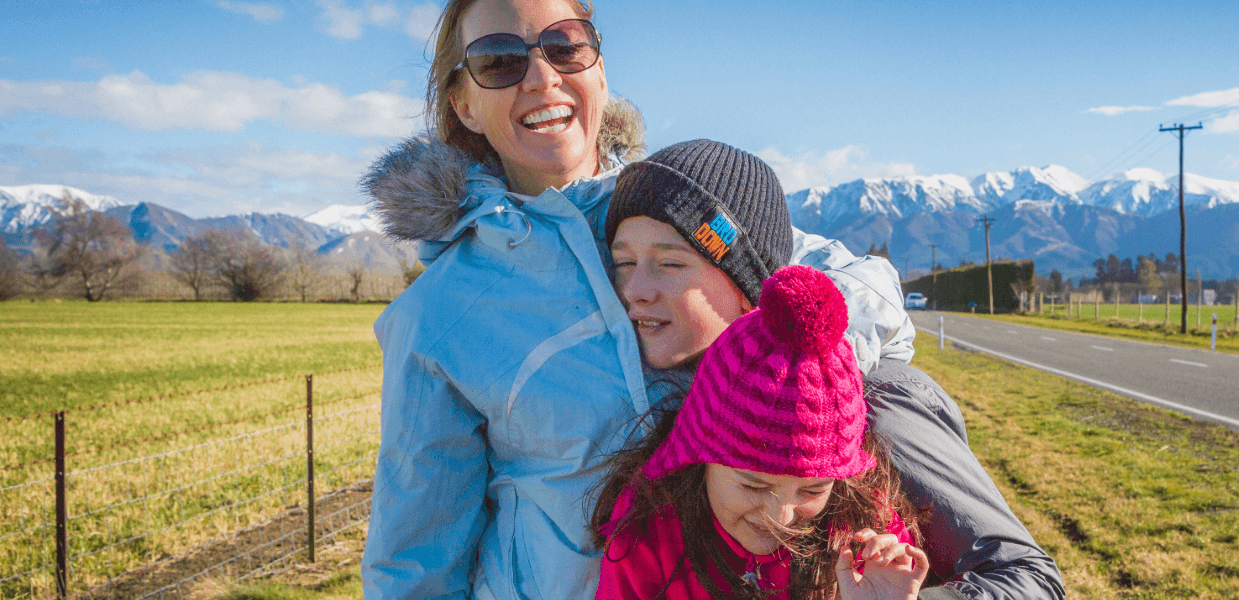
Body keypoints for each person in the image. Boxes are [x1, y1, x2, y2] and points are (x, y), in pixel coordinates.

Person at [359, 2, 912, 599]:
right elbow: (415, 560)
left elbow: (863, 287)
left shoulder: (678, 210)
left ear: (599, 70)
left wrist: (805, 378)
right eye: (498, 60)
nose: (542, 77)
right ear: (463, 103)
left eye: (565, 45)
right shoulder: (441, 314)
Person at [595, 139, 1064, 599]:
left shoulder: (870, 401)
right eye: (623, 263)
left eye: (671, 262)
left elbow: (1022, 575)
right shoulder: (652, 477)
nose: (633, 289)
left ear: (746, 286)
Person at [595, 265, 928, 600]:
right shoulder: (649, 537)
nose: (779, 517)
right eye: (754, 485)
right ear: (697, 455)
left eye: (812, 490)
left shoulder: (869, 546)